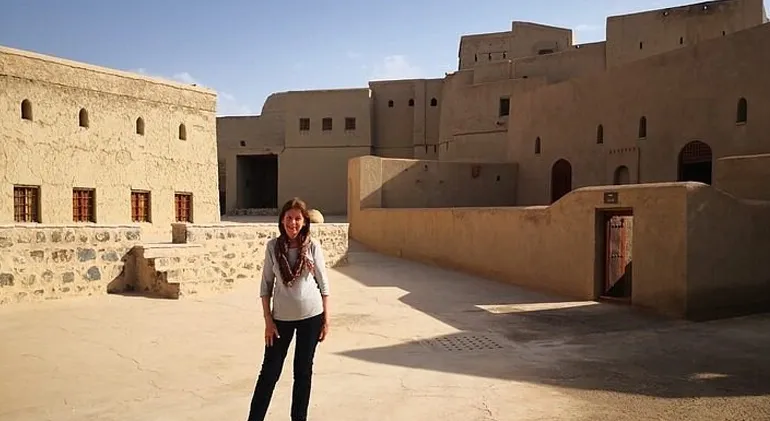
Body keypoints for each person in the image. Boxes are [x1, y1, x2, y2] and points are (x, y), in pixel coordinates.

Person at [247, 198, 330, 421]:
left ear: (304, 222)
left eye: (298, 219)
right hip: (280, 320)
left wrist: (326, 319)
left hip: (311, 316)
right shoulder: (273, 247)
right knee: (269, 372)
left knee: (302, 373)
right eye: (289, 218)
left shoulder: (312, 247)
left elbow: (323, 284)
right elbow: (266, 285)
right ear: (282, 220)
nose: (293, 223)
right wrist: (268, 321)